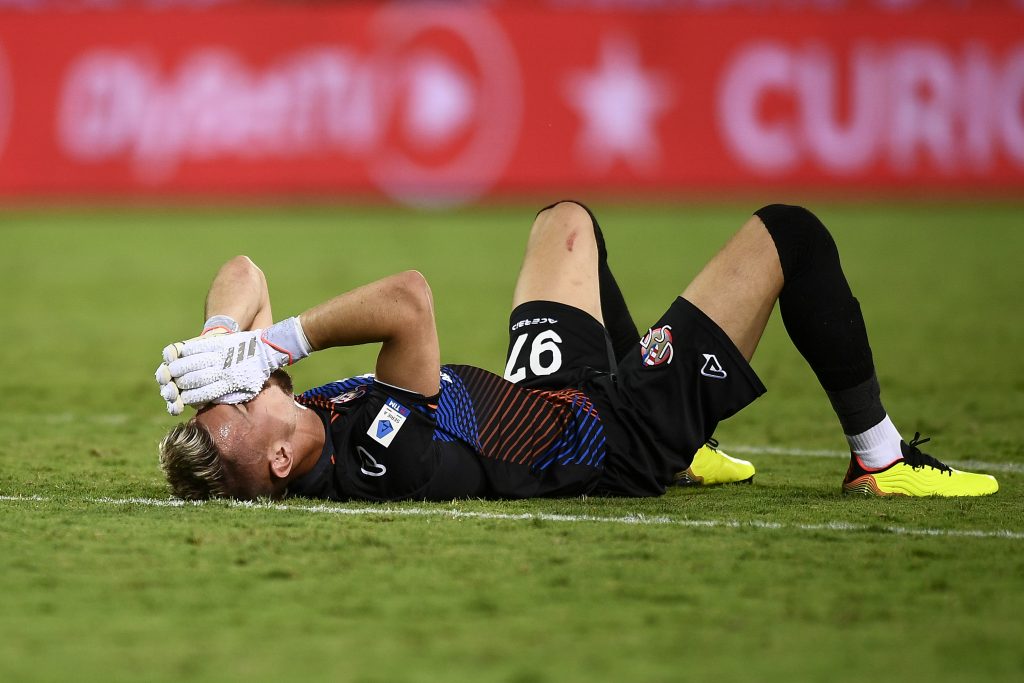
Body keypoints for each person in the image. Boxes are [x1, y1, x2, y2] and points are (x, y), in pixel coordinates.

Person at [155, 202, 998, 501]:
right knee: (792, 235)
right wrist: (274, 339)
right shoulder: (380, 452)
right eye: (240, 398)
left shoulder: (292, 426)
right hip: (612, 439)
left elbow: (245, 269)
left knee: (566, 222)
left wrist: (223, 340)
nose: (248, 385)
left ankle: (697, 452)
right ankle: (877, 458)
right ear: (275, 457)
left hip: (542, 402)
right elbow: (408, 299)